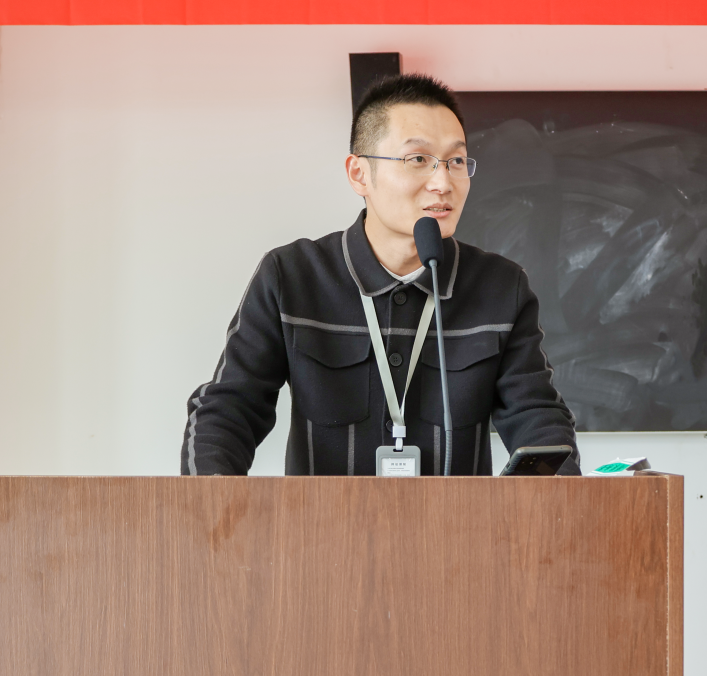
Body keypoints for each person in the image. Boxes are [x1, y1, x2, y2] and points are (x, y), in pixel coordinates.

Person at [181, 74, 578, 476]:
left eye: (456, 161)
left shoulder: (501, 287)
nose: (443, 182)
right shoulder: (292, 276)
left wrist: (555, 493)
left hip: (455, 520)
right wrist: (215, 508)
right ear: (359, 174)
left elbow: (537, 418)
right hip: (322, 519)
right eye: (418, 159)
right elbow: (228, 411)